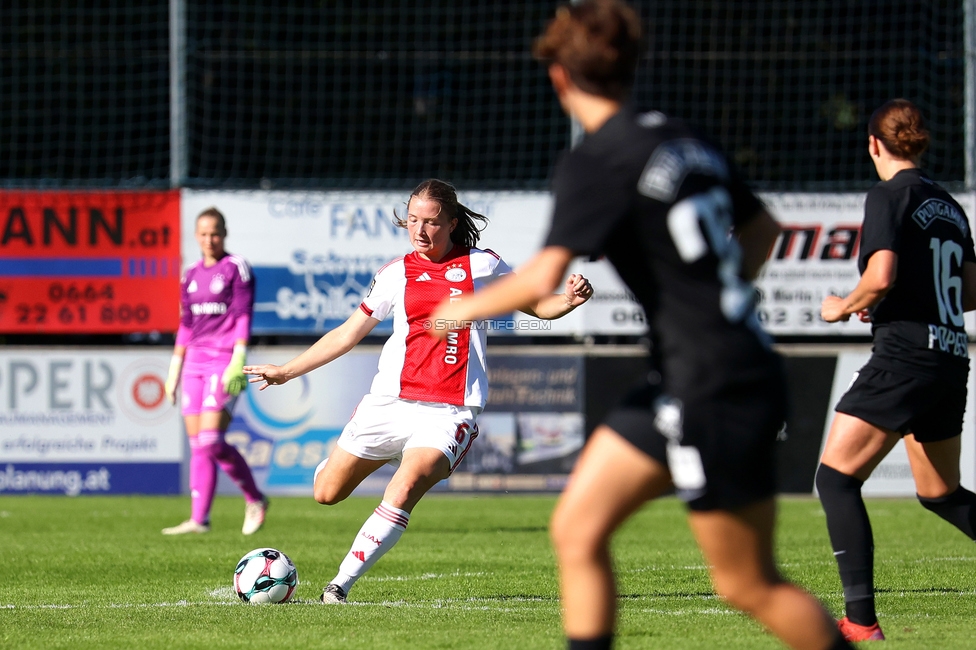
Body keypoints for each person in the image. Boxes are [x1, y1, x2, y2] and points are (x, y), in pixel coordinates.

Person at [429, 2, 852, 649]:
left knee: (747, 584)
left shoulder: (597, 160)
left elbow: (542, 276)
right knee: (578, 528)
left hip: (710, 384)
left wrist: (455, 308)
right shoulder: (683, 139)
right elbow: (764, 229)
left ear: (560, 77)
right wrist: (717, 294)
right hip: (697, 375)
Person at [243, 178, 592, 604]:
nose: (420, 231)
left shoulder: (482, 266)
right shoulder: (394, 274)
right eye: (412, 221)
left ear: (452, 223)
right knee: (326, 494)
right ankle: (378, 453)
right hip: (388, 403)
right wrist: (286, 371)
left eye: (430, 222)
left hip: (448, 411)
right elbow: (348, 334)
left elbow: (539, 305)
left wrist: (569, 300)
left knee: (405, 488)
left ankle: (339, 586)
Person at [816, 99, 976, 642]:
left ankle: (860, 623)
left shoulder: (888, 195)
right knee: (942, 494)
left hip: (906, 357)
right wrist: (885, 297)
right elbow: (970, 291)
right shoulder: (950, 206)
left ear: (874, 144)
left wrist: (845, 303)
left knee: (834, 478)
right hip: (950, 358)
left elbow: (880, 274)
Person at [162, 207, 269, 535]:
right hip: (193, 361)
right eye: (204, 234)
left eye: (215, 233)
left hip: (224, 359)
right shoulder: (190, 274)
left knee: (210, 439)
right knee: (197, 444)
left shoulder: (236, 267)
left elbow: (242, 315)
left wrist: (239, 357)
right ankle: (199, 520)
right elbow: (186, 324)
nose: (210, 239)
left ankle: (254, 498)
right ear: (196, 236)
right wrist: (174, 369)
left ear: (224, 234)